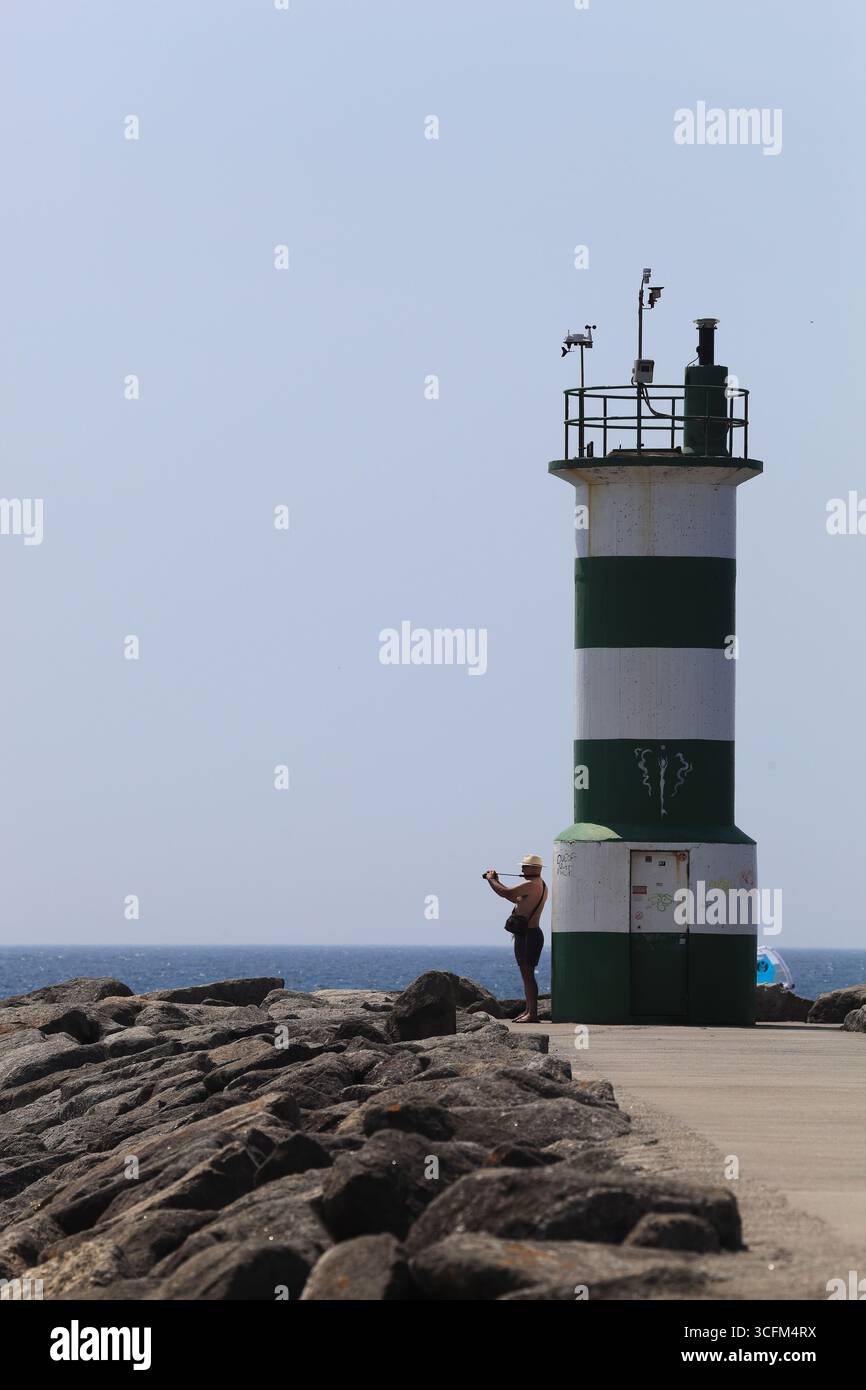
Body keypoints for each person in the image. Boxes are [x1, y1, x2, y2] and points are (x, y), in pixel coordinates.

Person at [483, 855, 547, 1022]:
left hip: (530, 935)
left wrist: (491, 880)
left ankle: (532, 1013)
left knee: (528, 974)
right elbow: (514, 897)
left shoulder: (531, 884)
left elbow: (506, 893)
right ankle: (528, 1011)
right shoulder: (538, 884)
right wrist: (498, 881)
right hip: (526, 934)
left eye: (525, 867)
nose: (522, 870)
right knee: (526, 974)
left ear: (534, 868)